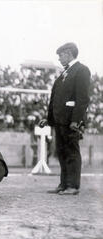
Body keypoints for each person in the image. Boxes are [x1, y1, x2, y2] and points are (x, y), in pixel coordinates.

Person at [39, 42, 91, 195]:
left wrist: (76, 120)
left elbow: (82, 98)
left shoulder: (81, 70)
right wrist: (48, 119)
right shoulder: (63, 74)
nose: (59, 58)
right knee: (62, 152)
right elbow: (55, 99)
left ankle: (73, 186)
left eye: (61, 55)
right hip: (60, 120)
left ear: (69, 53)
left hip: (71, 121)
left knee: (71, 152)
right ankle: (64, 184)